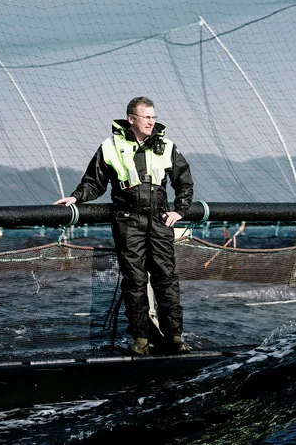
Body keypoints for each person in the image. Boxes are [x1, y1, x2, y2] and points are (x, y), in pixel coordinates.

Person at [55, 97, 193, 356]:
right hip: (127, 222)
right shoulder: (110, 146)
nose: (152, 121)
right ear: (132, 119)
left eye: (153, 116)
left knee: (166, 279)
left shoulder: (167, 146)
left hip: (159, 221)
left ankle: (175, 337)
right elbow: (94, 182)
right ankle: (141, 339)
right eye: (146, 117)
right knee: (135, 280)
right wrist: (76, 197)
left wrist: (180, 210)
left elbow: (184, 182)